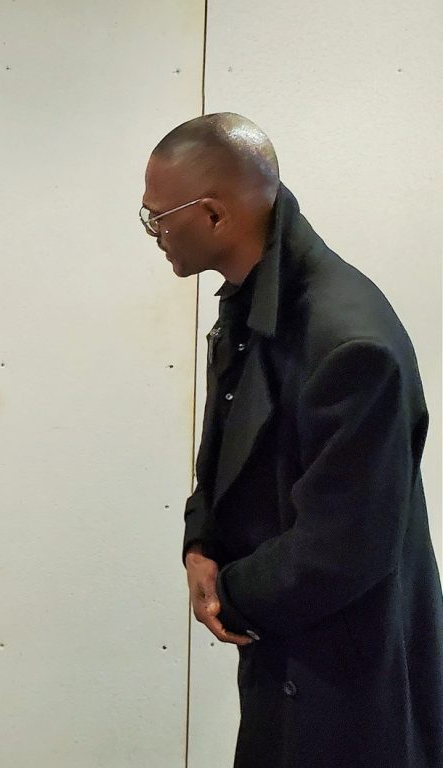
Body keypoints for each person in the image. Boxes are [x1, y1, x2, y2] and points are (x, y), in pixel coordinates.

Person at [140, 113, 443, 767]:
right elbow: (224, 445)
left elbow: (343, 549)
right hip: (286, 644)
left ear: (215, 215)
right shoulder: (252, 301)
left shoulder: (349, 343)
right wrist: (201, 543)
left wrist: (228, 594)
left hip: (349, 678)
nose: (154, 231)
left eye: (157, 217)